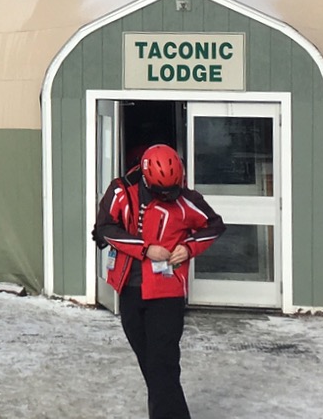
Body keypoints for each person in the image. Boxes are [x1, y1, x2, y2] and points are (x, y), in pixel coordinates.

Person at [93, 143, 225, 419]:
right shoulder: (120, 191)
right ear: (146, 179)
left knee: (162, 364)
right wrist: (144, 248)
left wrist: (189, 247)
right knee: (150, 364)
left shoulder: (186, 200)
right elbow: (104, 229)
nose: (168, 196)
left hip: (167, 291)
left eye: (172, 190)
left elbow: (213, 225)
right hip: (130, 289)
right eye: (162, 192)